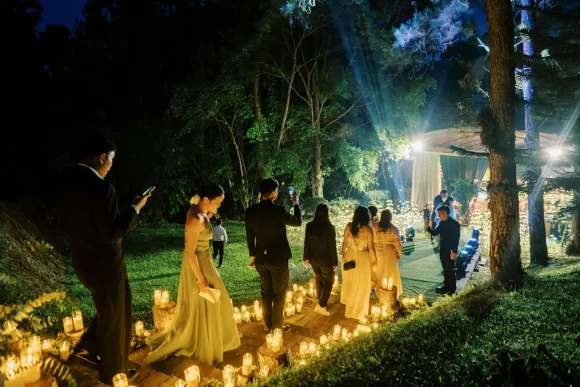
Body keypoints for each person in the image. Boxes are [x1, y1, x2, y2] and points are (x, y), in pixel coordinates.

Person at [56, 132, 150, 384]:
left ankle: (86, 349)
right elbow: (113, 233)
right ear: (101, 157)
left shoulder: (66, 182)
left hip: (82, 261)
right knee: (116, 318)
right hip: (106, 265)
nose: (111, 166)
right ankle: (113, 373)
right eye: (111, 160)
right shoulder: (101, 187)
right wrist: (134, 208)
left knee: (107, 311)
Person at [145, 184, 241, 365]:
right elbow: (190, 252)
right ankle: (201, 340)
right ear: (206, 199)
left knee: (212, 300)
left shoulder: (200, 213)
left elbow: (203, 227)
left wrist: (210, 215)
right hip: (198, 264)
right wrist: (201, 280)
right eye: (217, 202)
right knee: (208, 298)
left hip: (205, 260)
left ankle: (212, 336)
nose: (219, 206)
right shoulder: (195, 218)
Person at [245, 178, 302, 333]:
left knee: (265, 292)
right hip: (278, 258)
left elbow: (249, 236)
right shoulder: (278, 210)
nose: (277, 193)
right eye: (276, 190)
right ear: (271, 194)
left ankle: (267, 324)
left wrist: (253, 255)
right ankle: (276, 327)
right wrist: (295, 203)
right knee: (278, 293)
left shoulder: (250, 212)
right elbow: (297, 221)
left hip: (261, 259)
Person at [340, 206, 377, 321]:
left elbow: (345, 244)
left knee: (350, 282)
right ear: (367, 216)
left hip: (349, 256)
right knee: (361, 284)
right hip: (362, 258)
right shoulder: (368, 229)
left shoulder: (348, 227)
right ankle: (359, 310)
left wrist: (343, 256)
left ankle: (350, 306)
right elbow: (371, 248)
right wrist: (374, 262)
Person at [303, 203, 338, 316]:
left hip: (313, 258)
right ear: (327, 214)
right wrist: (335, 261)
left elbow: (306, 242)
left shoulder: (309, 226)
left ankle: (320, 302)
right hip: (325, 259)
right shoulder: (330, 228)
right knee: (329, 281)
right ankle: (322, 305)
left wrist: (305, 256)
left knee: (319, 279)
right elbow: (332, 246)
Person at [425, 205, 461, 295]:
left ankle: (452, 288)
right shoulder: (442, 223)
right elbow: (435, 232)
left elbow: (456, 239)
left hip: (450, 249)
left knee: (450, 268)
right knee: (445, 267)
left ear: (445, 213)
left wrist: (454, 252)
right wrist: (428, 228)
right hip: (443, 248)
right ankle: (446, 285)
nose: (438, 216)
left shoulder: (455, 224)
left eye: (439, 214)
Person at [374, 210, 403, 299]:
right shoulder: (393, 228)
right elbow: (397, 242)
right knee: (390, 271)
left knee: (379, 271)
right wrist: (400, 253)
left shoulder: (374, 226)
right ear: (390, 217)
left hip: (377, 251)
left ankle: (379, 291)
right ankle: (389, 289)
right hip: (389, 251)